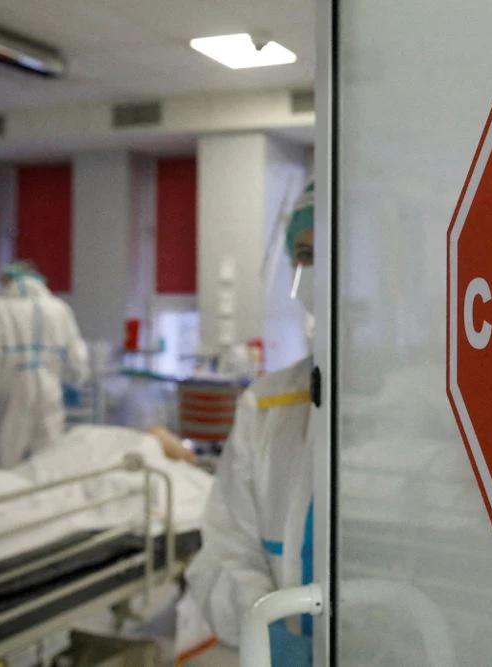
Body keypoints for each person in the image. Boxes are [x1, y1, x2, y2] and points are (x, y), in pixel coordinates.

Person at [184, 182, 316, 666]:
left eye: (331, 252)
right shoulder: (267, 404)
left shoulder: (419, 406)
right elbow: (227, 549)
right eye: (305, 256)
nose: (316, 270)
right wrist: (270, 634)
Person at [0, 260, 89, 468]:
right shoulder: (59, 308)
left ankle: (6, 487)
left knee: (8, 450)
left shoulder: (0, 308)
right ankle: (48, 487)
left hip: (13, 386)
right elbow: (77, 349)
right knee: (49, 449)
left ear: (9, 281)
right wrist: (76, 379)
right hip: (49, 384)